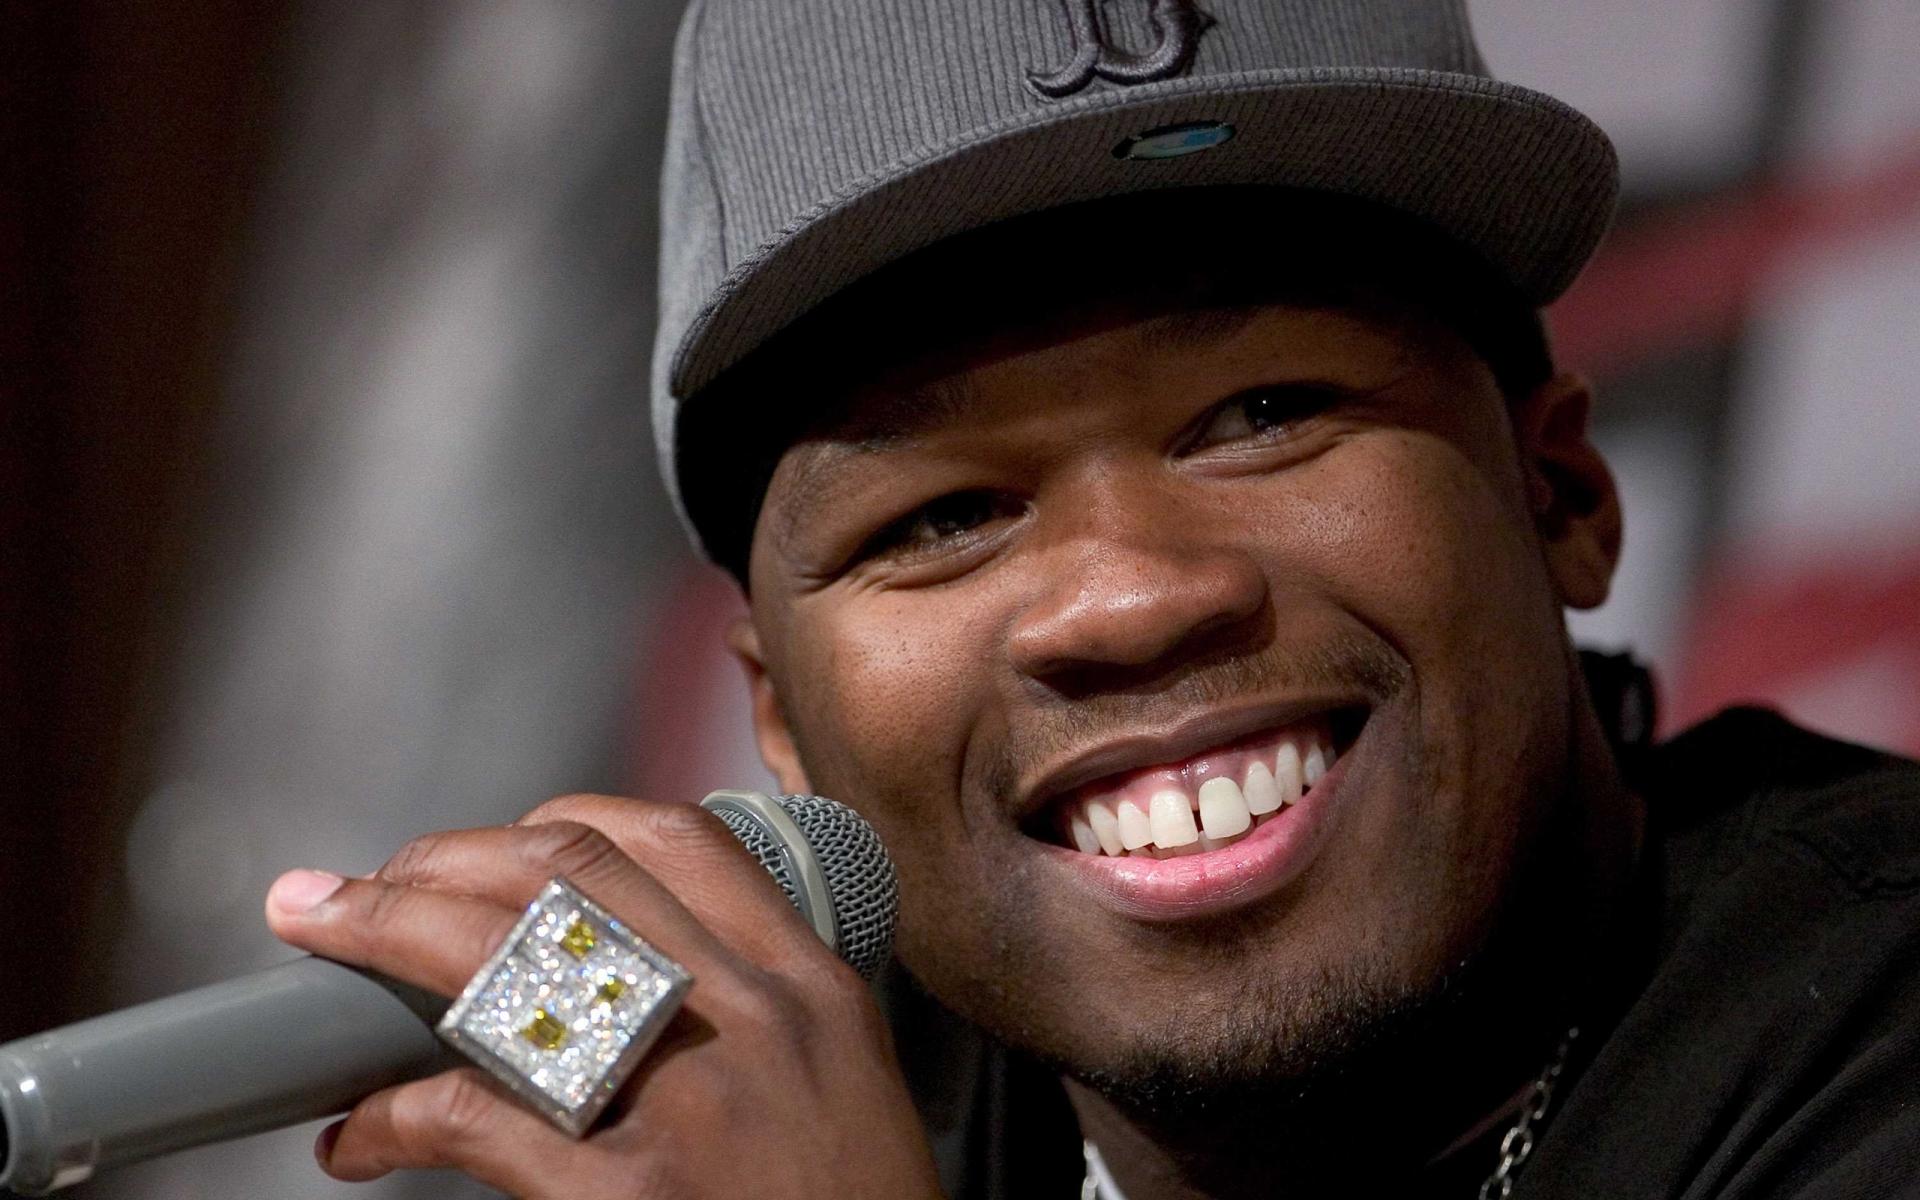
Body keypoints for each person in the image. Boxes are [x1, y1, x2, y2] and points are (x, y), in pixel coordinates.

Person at [263, 1, 1920, 1197]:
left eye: (1265, 413)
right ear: (781, 720)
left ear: (1559, 495)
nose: (1127, 600)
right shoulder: (764, 1090)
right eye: (943, 516)